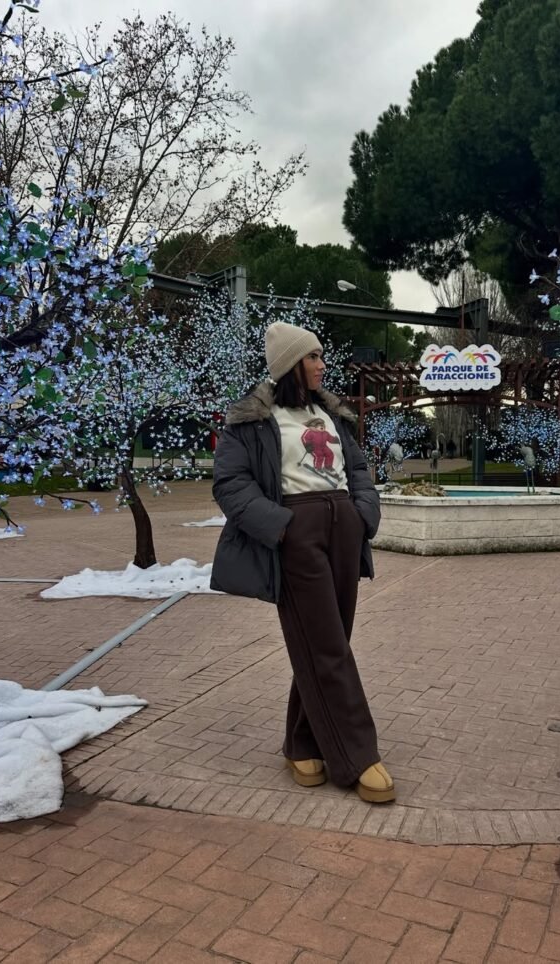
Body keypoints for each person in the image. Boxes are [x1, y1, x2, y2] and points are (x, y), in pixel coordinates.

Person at [210, 321, 395, 804]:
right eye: (313, 357)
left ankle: (301, 744)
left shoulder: (330, 414)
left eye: (320, 356)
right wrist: (282, 528)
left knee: (328, 641)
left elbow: (357, 468)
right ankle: (357, 756)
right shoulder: (252, 419)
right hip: (296, 533)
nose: (321, 365)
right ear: (291, 364)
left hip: (344, 530)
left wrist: (363, 513)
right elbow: (230, 484)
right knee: (327, 646)